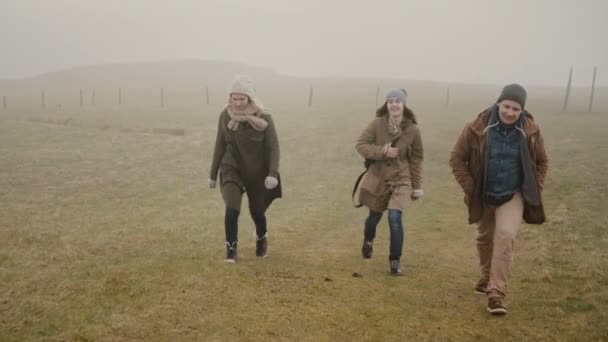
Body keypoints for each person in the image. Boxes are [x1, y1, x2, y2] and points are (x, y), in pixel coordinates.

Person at [449, 83, 548, 315]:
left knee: (506, 235)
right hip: (483, 193)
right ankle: (485, 277)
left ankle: (496, 293)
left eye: (516, 109)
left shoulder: (531, 131)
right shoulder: (476, 127)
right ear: (498, 103)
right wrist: (471, 188)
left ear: (521, 110)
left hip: (513, 194)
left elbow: (543, 161)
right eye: (506, 106)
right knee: (485, 238)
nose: (510, 113)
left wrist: (534, 187)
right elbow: (456, 158)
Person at [209, 75, 281, 263]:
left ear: (250, 98)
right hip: (231, 166)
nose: (238, 103)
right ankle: (231, 250)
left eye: (242, 99)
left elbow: (273, 147)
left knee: (257, 211)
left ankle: (261, 238)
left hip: (256, 171)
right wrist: (213, 174)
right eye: (234, 99)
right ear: (230, 98)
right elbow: (220, 144)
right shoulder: (225, 115)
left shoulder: (264, 117)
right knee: (232, 207)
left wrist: (272, 173)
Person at [355, 88, 424, 276]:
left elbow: (417, 158)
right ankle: (368, 241)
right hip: (378, 177)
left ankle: (395, 261)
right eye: (390, 101)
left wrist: (417, 186)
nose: (394, 104)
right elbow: (361, 145)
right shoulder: (377, 124)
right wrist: (382, 151)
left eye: (398, 101)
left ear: (404, 104)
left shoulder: (413, 130)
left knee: (395, 217)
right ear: (387, 104)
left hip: (402, 178)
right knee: (374, 218)